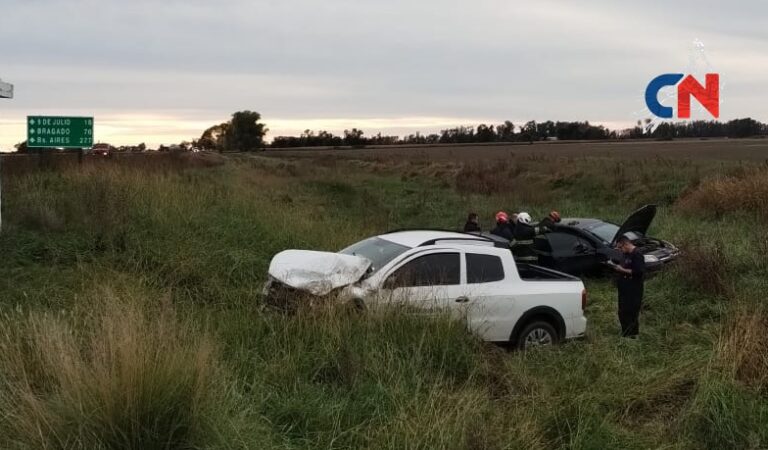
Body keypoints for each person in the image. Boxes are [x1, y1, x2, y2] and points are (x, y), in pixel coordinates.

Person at [608, 233, 646, 338]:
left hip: (633, 288)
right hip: (623, 286)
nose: (620, 250)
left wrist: (622, 269)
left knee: (631, 311)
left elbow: (638, 272)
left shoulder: (637, 254)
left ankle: (633, 335)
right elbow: (624, 264)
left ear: (625, 244)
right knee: (622, 311)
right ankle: (625, 333)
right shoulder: (626, 254)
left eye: (620, 247)